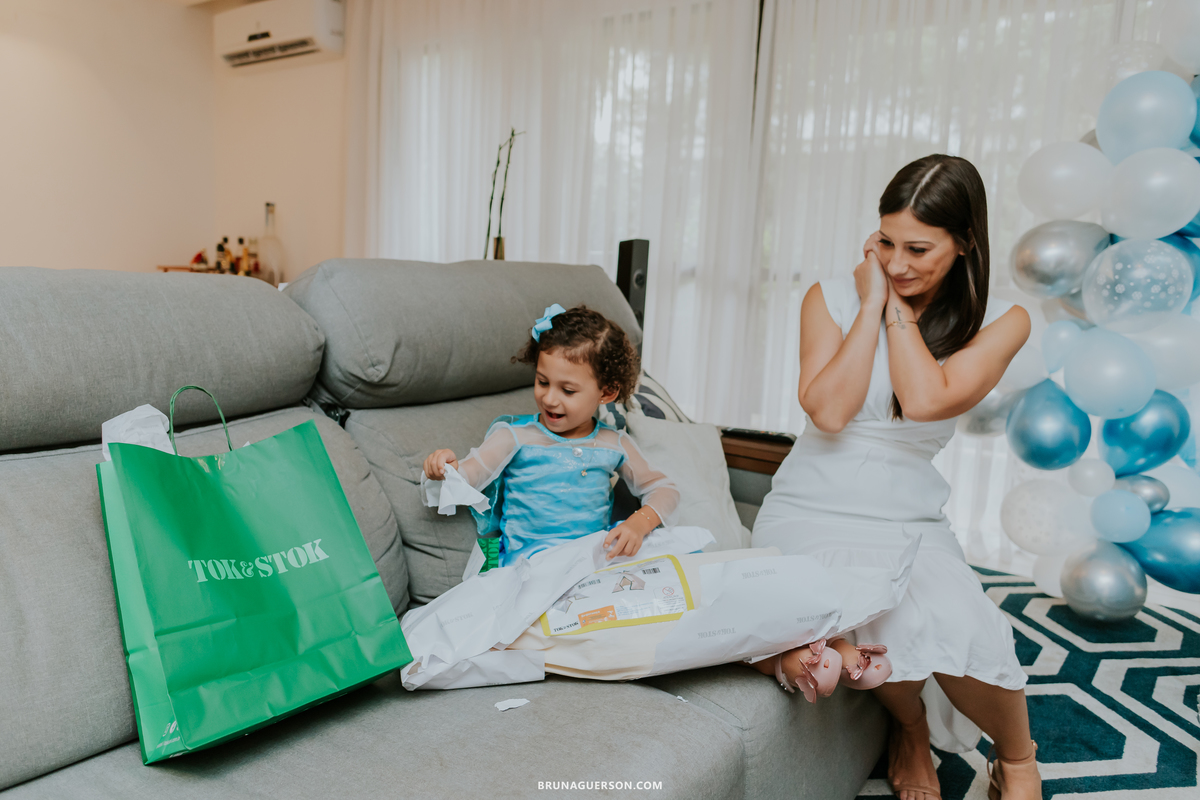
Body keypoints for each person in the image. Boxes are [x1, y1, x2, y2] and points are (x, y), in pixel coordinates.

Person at [752, 155, 1041, 800]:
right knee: (875, 614)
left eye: (918, 248)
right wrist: (868, 302)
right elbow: (827, 410)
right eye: (886, 242)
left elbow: (923, 399)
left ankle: (1018, 760)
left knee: (956, 620)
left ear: (965, 242)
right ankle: (909, 729)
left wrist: (892, 311)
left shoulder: (1003, 321)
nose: (898, 262)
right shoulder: (828, 298)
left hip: (906, 515)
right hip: (809, 505)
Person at [422, 304, 681, 566]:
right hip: (528, 566)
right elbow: (470, 474)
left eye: (567, 390)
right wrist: (448, 469)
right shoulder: (515, 436)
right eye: (542, 382)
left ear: (606, 393)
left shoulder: (614, 444)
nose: (549, 398)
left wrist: (639, 524)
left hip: (589, 566)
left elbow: (665, 489)